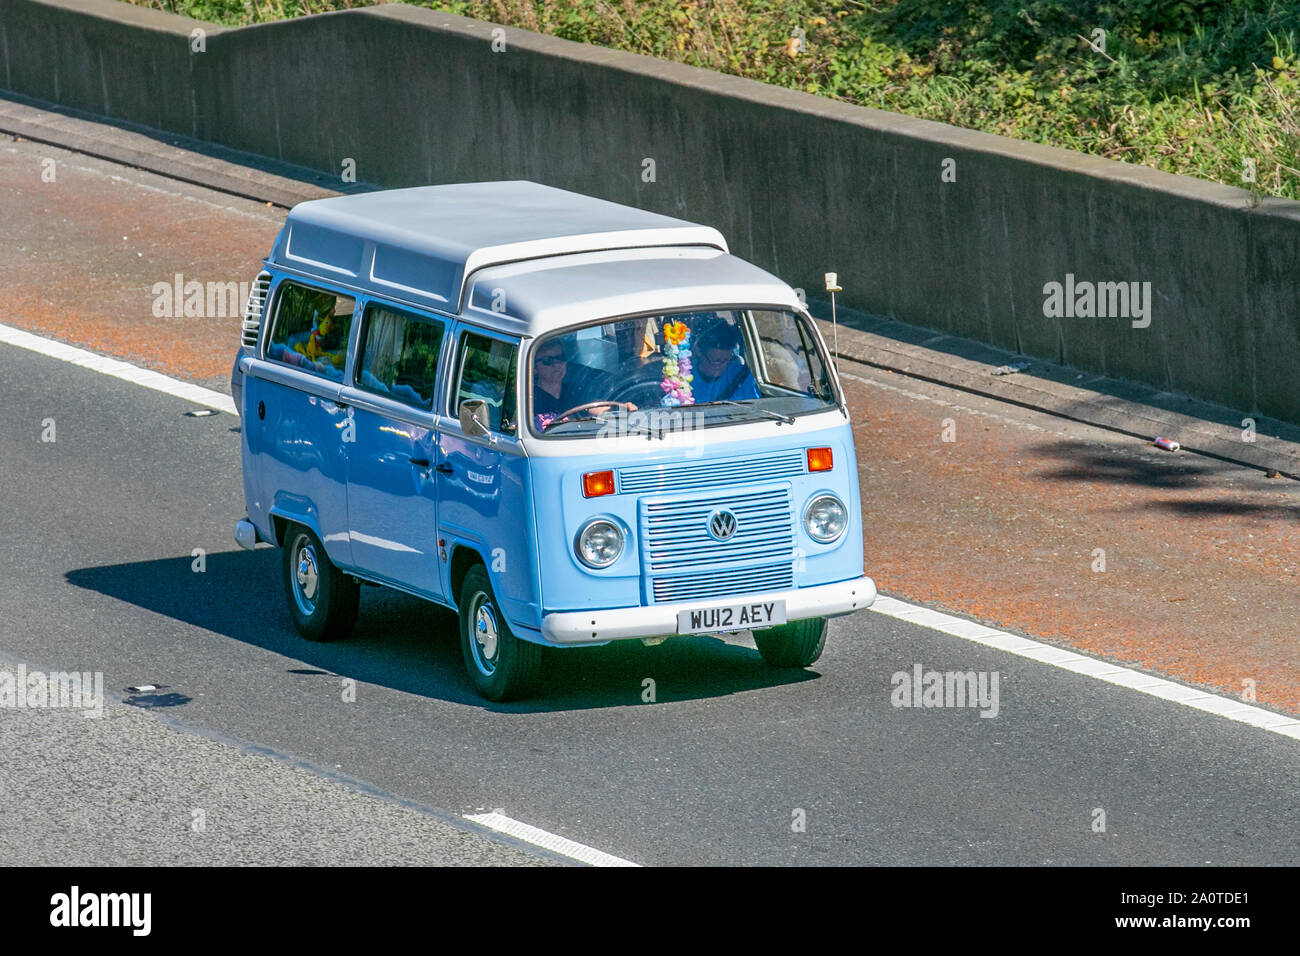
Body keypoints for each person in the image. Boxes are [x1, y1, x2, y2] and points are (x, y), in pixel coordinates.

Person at [690, 321, 759, 404]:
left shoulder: (741, 375)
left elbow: (754, 406)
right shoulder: (684, 379)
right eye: (717, 361)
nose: (723, 366)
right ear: (699, 352)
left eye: (727, 360)